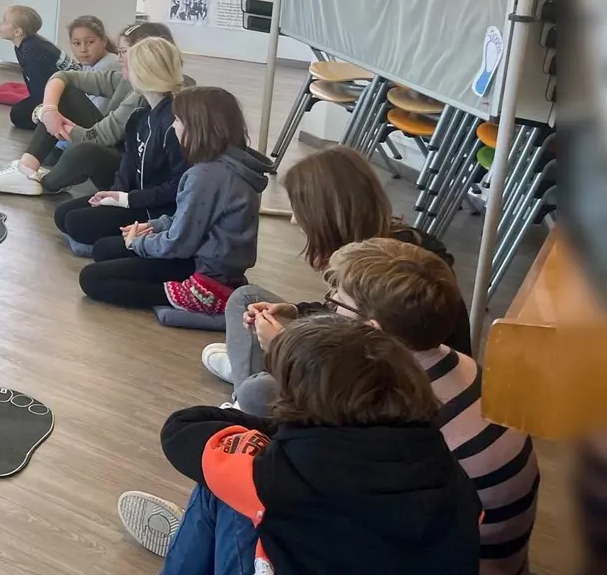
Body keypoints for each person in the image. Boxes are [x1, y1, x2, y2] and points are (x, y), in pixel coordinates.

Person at [128, 240, 536, 574]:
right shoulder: (441, 373)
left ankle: (198, 545)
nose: (327, 310)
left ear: (372, 332)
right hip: (425, 549)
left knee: (235, 481)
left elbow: (189, 433)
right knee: (239, 470)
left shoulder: (375, 412)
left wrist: (286, 356)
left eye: (335, 305)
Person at [137, 316, 481, 573]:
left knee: (223, 482)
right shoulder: (441, 462)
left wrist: (276, 427)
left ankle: (191, 553)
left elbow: (180, 429)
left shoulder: (284, 474)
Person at [201, 145, 465, 410]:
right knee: (246, 299)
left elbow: (364, 364)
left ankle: (250, 386)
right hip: (367, 356)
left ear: (325, 213)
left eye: (300, 210)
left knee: (257, 393)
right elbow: (345, 316)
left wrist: (282, 346)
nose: (294, 220)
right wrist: (296, 310)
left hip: (382, 387)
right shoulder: (387, 246)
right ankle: (251, 375)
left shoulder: (387, 271)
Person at [79, 86, 272, 313]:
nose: (173, 126)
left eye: (178, 120)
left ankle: (211, 300)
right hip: (213, 263)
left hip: (205, 274)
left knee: (91, 278)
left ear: (198, 127)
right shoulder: (228, 164)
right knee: (104, 249)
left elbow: (178, 243)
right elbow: (190, 218)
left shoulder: (206, 175)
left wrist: (136, 243)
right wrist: (153, 226)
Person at [0, 21, 178, 197]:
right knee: (60, 100)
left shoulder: (144, 93)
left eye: (124, 52)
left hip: (128, 171)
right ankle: (26, 169)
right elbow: (63, 76)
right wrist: (49, 110)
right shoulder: (126, 80)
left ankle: (39, 181)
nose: (118, 57)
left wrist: (49, 118)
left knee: (82, 152)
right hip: (113, 147)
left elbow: (100, 137)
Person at [49, 37, 189, 254]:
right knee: (63, 215)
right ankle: (110, 240)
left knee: (76, 223)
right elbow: (129, 162)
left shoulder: (174, 123)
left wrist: (128, 199)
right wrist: (113, 195)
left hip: (155, 208)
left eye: (128, 62)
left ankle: (125, 241)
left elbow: (178, 186)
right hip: (135, 198)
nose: (122, 62)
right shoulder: (140, 114)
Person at [0, 5, 70, 130]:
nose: (0, 24)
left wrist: (43, 109)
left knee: (19, 115)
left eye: (5, 21)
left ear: (18, 32)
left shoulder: (31, 50)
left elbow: (39, 83)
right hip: (57, 90)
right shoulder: (26, 45)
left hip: (65, 94)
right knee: (20, 110)